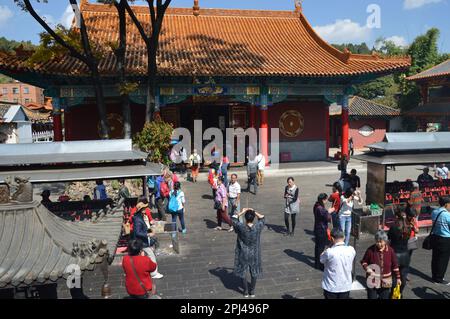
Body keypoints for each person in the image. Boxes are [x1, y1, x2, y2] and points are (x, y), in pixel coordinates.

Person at [232, 208, 265, 298]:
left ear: (245, 218)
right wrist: (254, 211)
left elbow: (234, 219)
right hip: (254, 253)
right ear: (253, 218)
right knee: (254, 272)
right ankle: (252, 291)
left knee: (243, 271)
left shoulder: (241, 227)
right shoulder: (257, 227)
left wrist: (242, 212)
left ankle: (245, 291)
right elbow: (263, 218)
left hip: (243, 252)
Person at [361, 230, 401, 299]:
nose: (379, 244)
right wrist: (367, 268)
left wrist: (398, 278)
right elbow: (364, 262)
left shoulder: (390, 250)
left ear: (385, 241)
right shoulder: (370, 250)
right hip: (372, 280)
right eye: (377, 241)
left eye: (380, 242)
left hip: (386, 281)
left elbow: (395, 265)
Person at [320, 228, 356, 299]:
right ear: (344, 237)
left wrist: (328, 247)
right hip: (345, 285)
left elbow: (321, 259)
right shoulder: (351, 250)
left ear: (332, 239)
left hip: (331, 286)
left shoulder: (329, 252)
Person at [131, 201, 163, 279]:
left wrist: (149, 230)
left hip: (141, 241)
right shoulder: (138, 220)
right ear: (141, 210)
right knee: (151, 256)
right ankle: (154, 273)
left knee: (143, 258)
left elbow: (141, 229)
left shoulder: (139, 217)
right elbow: (138, 232)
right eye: (144, 208)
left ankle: (143, 272)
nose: (146, 209)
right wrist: (148, 234)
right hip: (142, 242)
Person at [387, 208, 412, 296]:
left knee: (394, 276)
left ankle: (393, 293)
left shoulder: (393, 227)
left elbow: (389, 237)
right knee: (403, 276)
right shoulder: (408, 227)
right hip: (405, 255)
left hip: (395, 254)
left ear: (397, 217)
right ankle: (400, 292)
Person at [430, 197, 450, 285]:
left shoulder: (434, 212)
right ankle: (439, 278)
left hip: (435, 236)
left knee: (435, 257)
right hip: (445, 238)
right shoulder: (447, 215)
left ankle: (434, 276)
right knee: (443, 259)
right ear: (446, 204)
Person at [313, 193, 333, 271]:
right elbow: (327, 218)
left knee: (317, 247)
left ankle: (317, 263)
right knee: (320, 248)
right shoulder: (320, 208)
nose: (326, 201)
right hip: (321, 229)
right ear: (323, 199)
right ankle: (320, 264)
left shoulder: (316, 205)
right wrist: (328, 212)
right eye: (326, 199)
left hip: (317, 228)